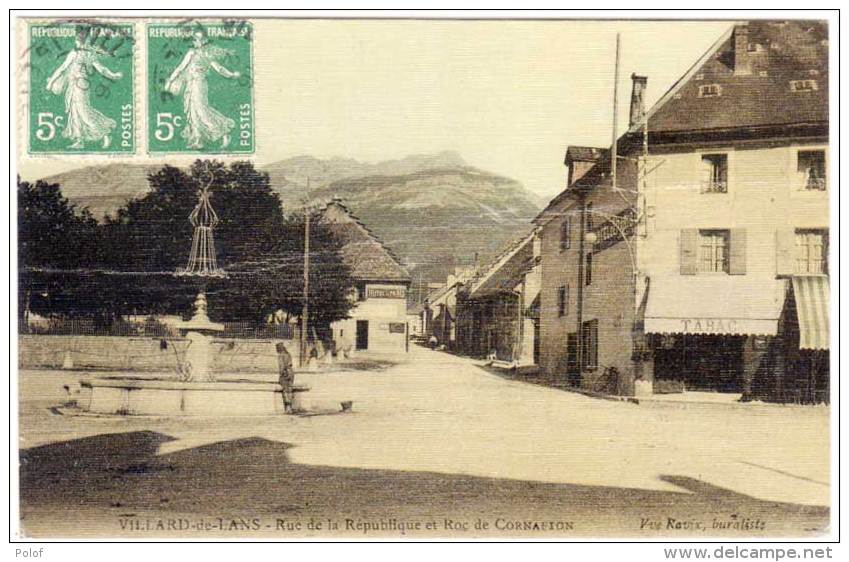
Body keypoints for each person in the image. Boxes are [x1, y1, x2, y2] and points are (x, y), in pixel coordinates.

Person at [164, 31, 240, 149]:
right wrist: (170, 80)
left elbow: (219, 68)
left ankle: (224, 133)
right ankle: (198, 139)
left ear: (202, 41)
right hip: (192, 84)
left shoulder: (202, 54)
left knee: (201, 110)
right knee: (193, 111)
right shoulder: (195, 53)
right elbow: (180, 68)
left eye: (196, 40)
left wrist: (231, 75)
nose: (194, 42)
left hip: (199, 84)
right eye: (194, 40)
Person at [46, 33, 123, 149]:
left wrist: (51, 82)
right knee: (74, 112)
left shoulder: (77, 53)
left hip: (79, 85)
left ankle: (105, 134)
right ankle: (79, 140)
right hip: (76, 85)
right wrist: (113, 75)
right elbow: (102, 69)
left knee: (83, 112)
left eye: (79, 41)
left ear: (80, 41)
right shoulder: (87, 54)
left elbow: (62, 69)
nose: (79, 43)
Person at [275, 342, 295, 414]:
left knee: (285, 390)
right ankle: (290, 407)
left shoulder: (281, 355)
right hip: (291, 372)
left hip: (285, 373)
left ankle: (287, 408)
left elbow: (281, 367)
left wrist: (280, 376)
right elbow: (290, 364)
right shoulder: (288, 354)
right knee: (290, 389)